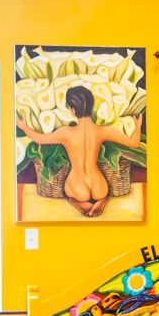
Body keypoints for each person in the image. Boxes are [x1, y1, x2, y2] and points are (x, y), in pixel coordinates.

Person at [17, 85, 143, 217]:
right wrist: (138, 125)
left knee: (72, 197)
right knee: (101, 193)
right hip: (99, 185)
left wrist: (24, 127)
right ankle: (102, 199)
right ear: (91, 106)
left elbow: (40, 139)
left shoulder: (66, 133)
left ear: (72, 110)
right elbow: (133, 143)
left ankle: (77, 202)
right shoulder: (102, 131)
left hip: (77, 186)